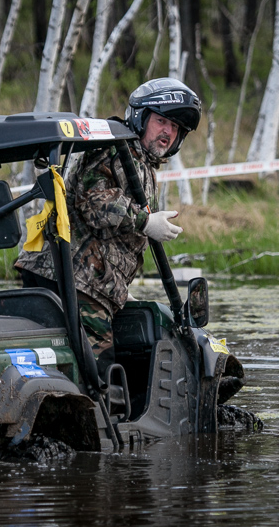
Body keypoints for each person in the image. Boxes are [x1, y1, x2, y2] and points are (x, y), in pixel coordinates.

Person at [15, 78, 201, 371]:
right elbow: (94, 204)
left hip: (92, 284)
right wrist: (144, 221)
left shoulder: (141, 163)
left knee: (91, 366)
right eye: (162, 121)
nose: (167, 132)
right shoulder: (115, 150)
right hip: (73, 279)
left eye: (174, 127)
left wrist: (121, 290)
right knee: (99, 371)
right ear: (142, 118)